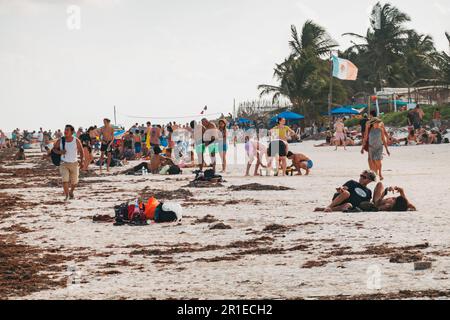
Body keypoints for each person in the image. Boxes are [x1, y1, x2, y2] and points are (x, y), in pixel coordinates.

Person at [52, 125, 84, 201]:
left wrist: (82, 161)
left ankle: (71, 191)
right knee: (65, 180)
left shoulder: (76, 140)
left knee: (74, 182)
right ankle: (67, 196)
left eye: (67, 130)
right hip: (64, 163)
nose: (65, 131)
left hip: (74, 163)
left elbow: (81, 151)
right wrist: (60, 152)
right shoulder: (60, 140)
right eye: (65, 130)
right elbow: (54, 149)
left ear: (72, 132)